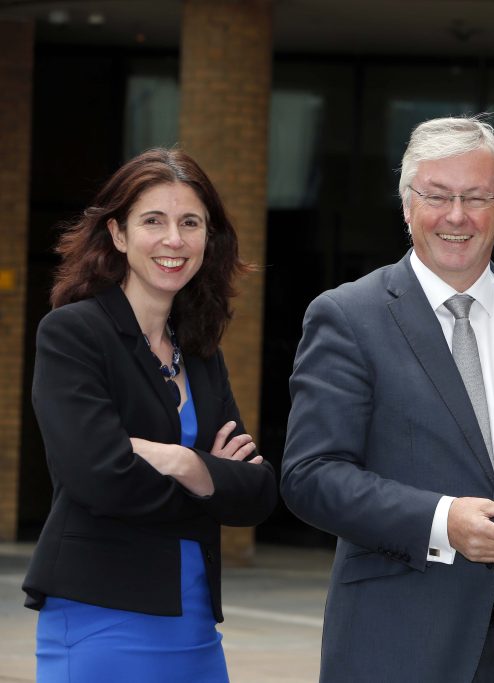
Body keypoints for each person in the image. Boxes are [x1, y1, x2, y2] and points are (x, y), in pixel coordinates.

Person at [281, 116, 494, 683]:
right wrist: (440, 520)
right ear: (407, 205)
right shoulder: (347, 316)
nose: (457, 216)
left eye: (476, 197)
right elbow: (311, 476)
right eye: (437, 196)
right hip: (397, 646)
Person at [22, 148, 278, 682]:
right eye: (153, 221)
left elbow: (257, 493)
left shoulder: (202, 352)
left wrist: (180, 462)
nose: (174, 240)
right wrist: (210, 480)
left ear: (209, 239)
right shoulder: (74, 334)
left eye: (191, 223)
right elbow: (100, 478)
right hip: (100, 619)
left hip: (197, 630)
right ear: (117, 234)